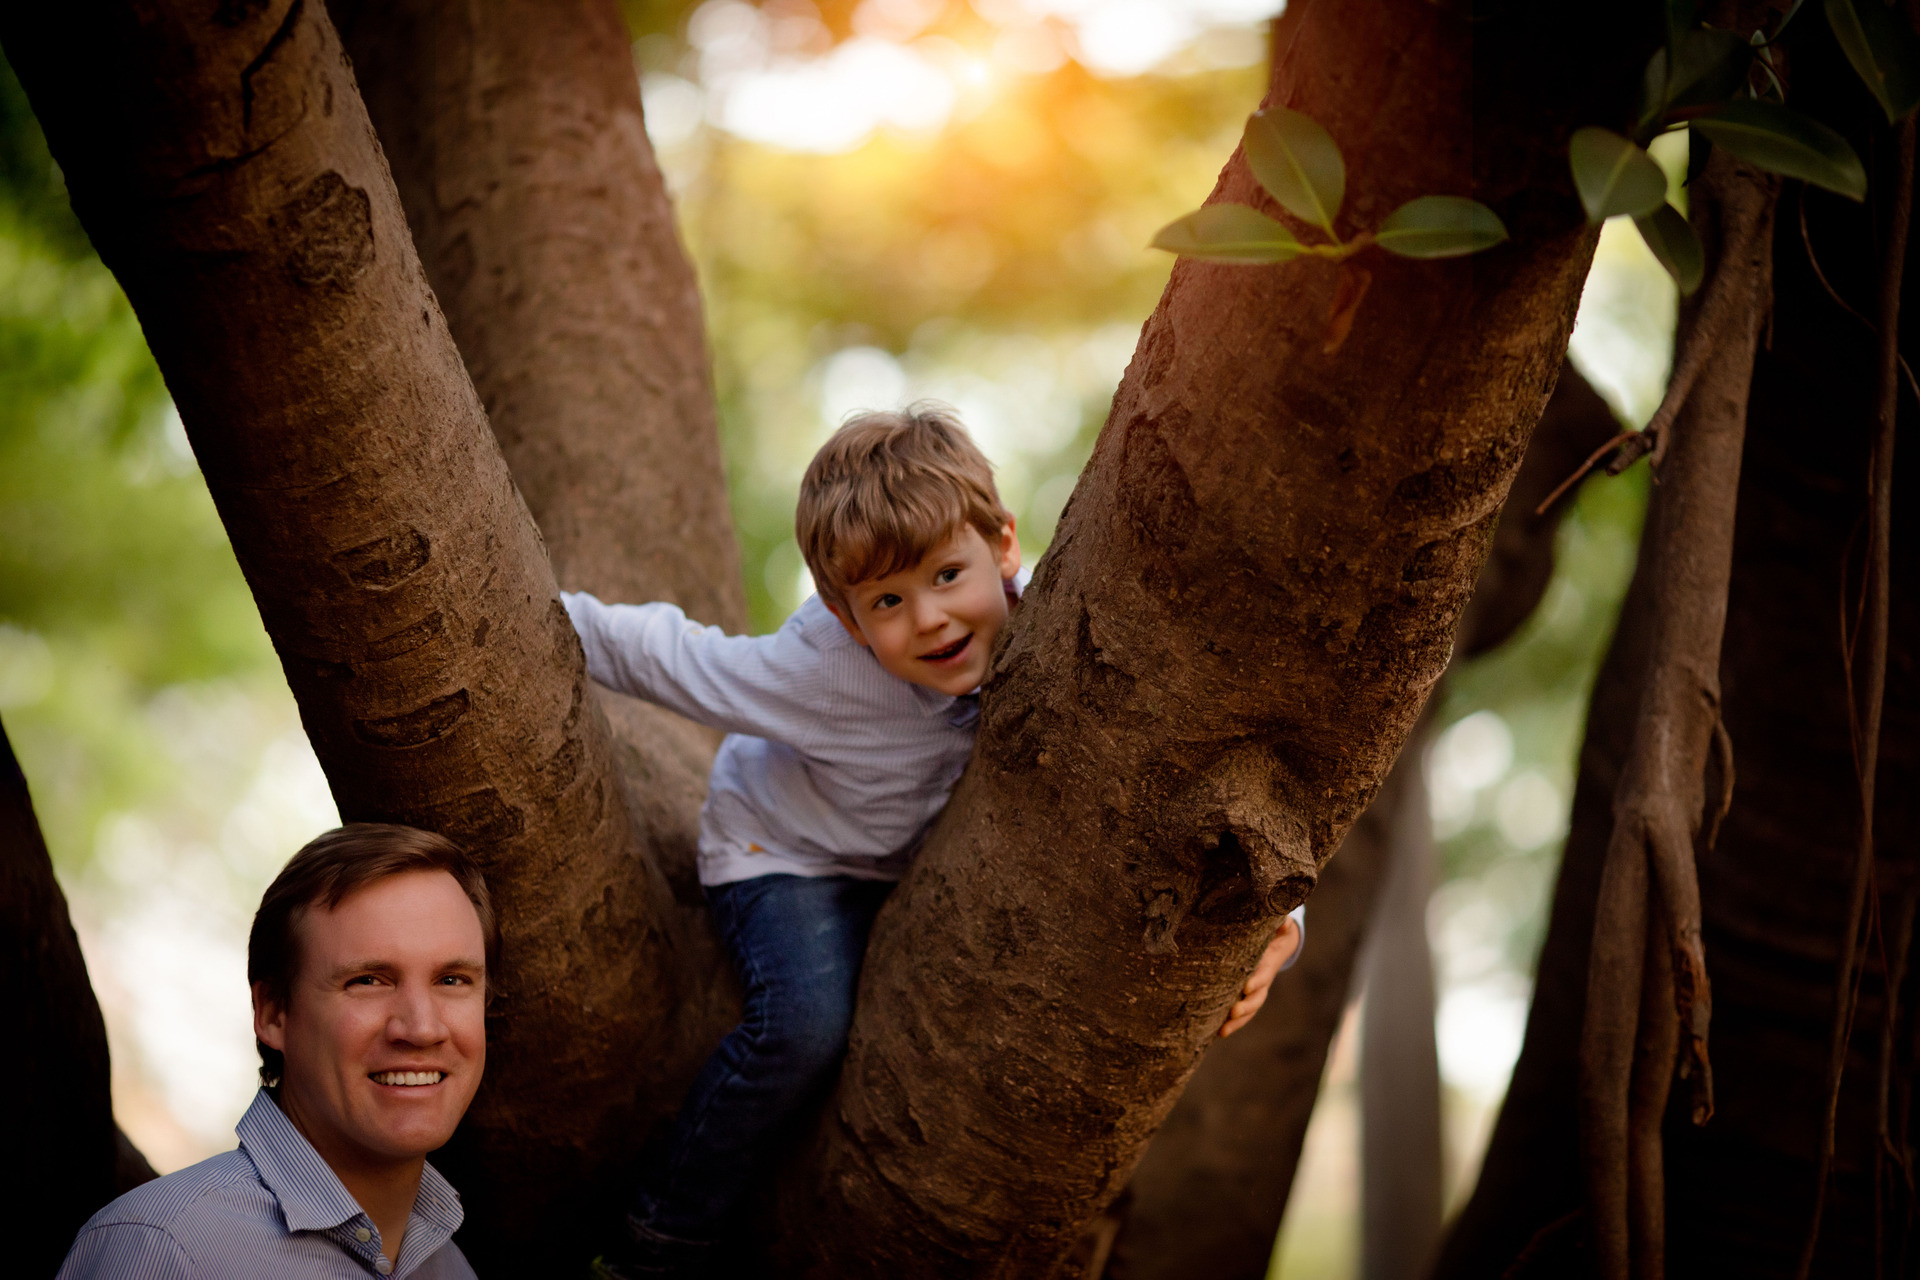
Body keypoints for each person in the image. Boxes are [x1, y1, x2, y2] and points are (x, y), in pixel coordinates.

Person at [569, 404, 1302, 1276]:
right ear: (846, 620)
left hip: (912, 862)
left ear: (1004, 548)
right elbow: (671, 656)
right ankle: (663, 1233)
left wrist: (1283, 922)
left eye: (947, 574)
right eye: (887, 601)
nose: (928, 619)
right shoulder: (818, 671)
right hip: (785, 856)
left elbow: (1187, 782)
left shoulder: (1063, 636)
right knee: (803, 1025)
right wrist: (530, 609)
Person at [58, 824, 495, 1280]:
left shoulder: (449, 1268)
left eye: (452, 980)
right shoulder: (163, 1252)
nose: (422, 1029)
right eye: (367, 981)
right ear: (272, 1013)